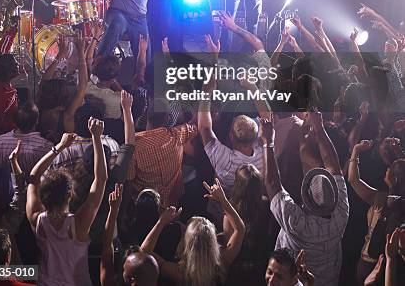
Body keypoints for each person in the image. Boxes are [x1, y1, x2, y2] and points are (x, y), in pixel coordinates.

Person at [260, 112, 349, 286]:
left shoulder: (297, 223)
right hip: (327, 279)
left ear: (305, 197)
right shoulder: (341, 212)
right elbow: (333, 164)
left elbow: (271, 183)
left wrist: (267, 141)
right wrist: (319, 128)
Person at [26, 119, 107, 286]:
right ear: (70, 194)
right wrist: (96, 138)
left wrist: (60, 147)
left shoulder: (37, 219)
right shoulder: (78, 224)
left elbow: (33, 178)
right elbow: (101, 179)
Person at [141, 178, 245, 285]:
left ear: (188, 242)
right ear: (213, 239)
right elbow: (240, 229)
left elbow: (144, 251)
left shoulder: (181, 272)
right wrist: (222, 199)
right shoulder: (222, 261)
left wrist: (161, 222)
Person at [348, 139, 405, 283]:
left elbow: (354, 180)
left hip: (369, 262)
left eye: (389, 169)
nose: (386, 170)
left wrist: (356, 150)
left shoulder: (381, 200)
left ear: (393, 178)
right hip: (392, 266)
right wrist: (398, 152)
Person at [0, 101, 53, 179]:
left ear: (15, 121)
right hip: (33, 190)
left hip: (3, 190)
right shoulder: (46, 146)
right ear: (37, 121)